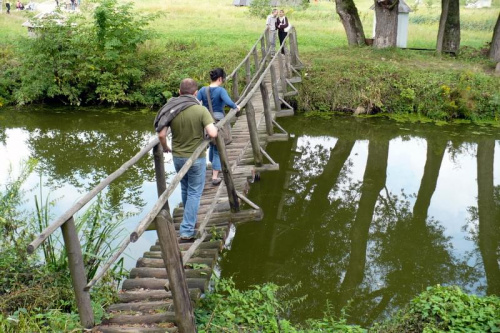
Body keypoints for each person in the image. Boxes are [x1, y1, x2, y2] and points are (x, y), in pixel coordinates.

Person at [155, 78, 218, 241]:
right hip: (196, 158)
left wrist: (166, 146)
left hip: (178, 157)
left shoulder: (172, 108)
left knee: (185, 189)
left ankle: (188, 220)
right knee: (195, 192)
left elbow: (161, 134)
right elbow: (212, 133)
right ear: (196, 93)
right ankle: (187, 229)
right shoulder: (200, 110)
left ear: (179, 91)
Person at [197, 68, 240, 186]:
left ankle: (213, 167)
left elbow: (196, 102)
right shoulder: (221, 91)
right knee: (217, 148)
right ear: (220, 78)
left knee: (212, 144)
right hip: (218, 122)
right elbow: (229, 103)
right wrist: (237, 106)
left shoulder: (202, 90)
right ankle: (215, 177)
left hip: (206, 122)